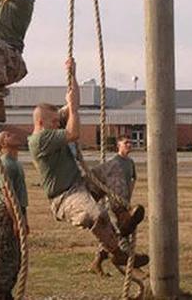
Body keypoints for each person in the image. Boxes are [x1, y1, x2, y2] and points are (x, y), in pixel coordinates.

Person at [27, 60, 148, 271]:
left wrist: (72, 75)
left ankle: (122, 216)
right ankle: (116, 252)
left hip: (80, 184)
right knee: (97, 215)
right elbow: (73, 132)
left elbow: (74, 102)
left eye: (57, 121)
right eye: (54, 122)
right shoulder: (39, 140)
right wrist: (72, 109)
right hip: (64, 197)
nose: (57, 124)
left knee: (114, 168)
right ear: (40, 124)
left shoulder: (51, 127)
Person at [0, 130, 28, 300]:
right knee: (6, 257)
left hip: (17, 210)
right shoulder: (5, 164)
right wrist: (16, 220)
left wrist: (23, 218)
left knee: (15, 259)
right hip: (8, 213)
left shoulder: (15, 163)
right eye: (7, 135)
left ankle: (6, 295)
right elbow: (7, 195)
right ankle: (0, 295)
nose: (13, 135)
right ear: (3, 144)